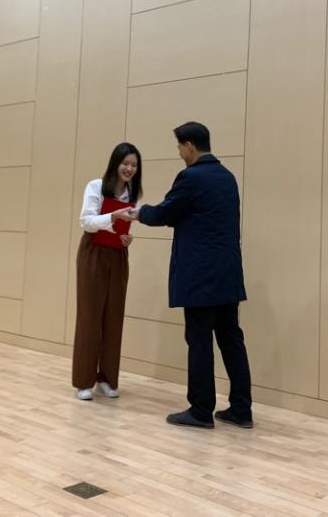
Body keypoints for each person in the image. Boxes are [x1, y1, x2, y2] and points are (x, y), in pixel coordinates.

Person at [130, 121, 252, 429]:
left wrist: (139, 212)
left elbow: (165, 213)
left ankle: (200, 411)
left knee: (199, 340)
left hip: (200, 277)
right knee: (231, 339)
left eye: (179, 148)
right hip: (227, 274)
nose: (179, 154)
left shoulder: (191, 177)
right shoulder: (227, 177)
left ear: (189, 146)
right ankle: (241, 409)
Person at [72, 143, 142, 401]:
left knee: (114, 317)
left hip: (118, 254)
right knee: (90, 317)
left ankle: (107, 380)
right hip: (93, 252)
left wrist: (127, 239)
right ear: (115, 163)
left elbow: (125, 228)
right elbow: (86, 221)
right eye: (126, 163)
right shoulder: (96, 186)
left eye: (134, 165)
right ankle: (83, 382)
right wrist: (113, 217)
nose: (129, 169)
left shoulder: (133, 193)